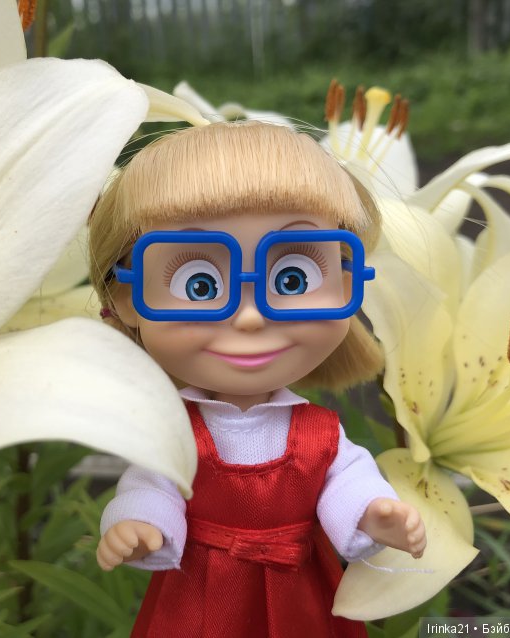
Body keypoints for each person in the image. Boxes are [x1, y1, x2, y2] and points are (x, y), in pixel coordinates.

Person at [89, 121, 426, 637]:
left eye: (292, 279)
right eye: (200, 285)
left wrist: (370, 511)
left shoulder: (319, 433)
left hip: (301, 592)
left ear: (347, 282)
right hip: (200, 596)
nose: (249, 318)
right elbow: (153, 485)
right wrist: (139, 521)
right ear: (127, 298)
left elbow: (347, 480)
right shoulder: (173, 430)